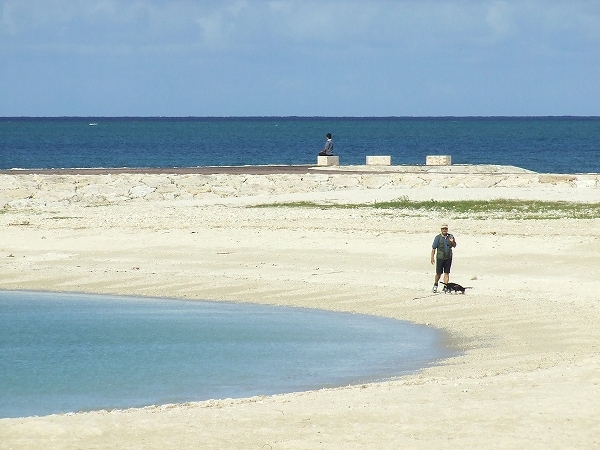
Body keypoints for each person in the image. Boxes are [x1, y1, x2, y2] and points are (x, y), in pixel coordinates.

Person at [430, 224, 457, 293]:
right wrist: (432, 257)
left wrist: (452, 242)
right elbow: (433, 248)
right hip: (440, 258)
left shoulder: (450, 236)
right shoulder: (438, 238)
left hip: (448, 257)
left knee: (447, 272)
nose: (444, 230)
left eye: (445, 229)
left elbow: (454, 245)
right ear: (441, 230)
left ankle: (446, 286)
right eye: (443, 229)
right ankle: (435, 284)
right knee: (438, 273)